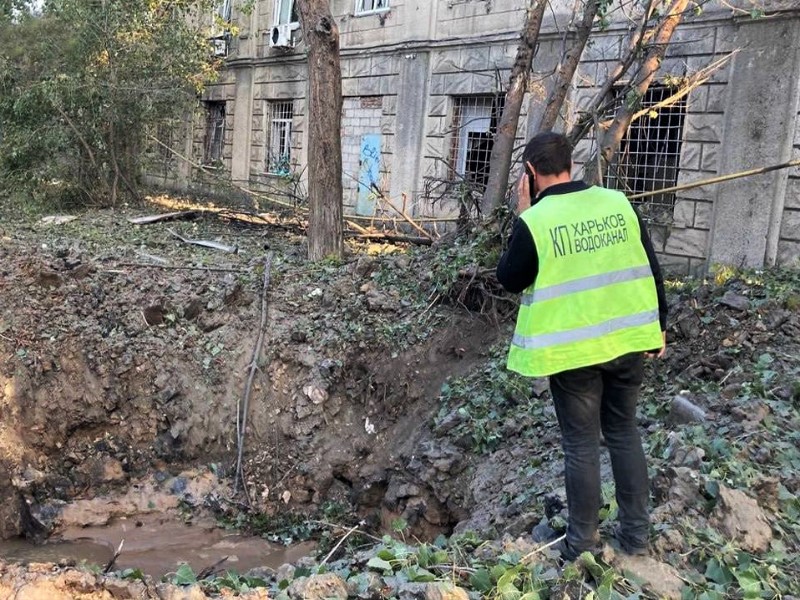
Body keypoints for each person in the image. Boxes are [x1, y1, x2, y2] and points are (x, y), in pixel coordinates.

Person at [496, 131, 667, 560]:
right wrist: (659, 325)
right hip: (629, 342)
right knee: (625, 433)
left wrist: (522, 215)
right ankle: (636, 537)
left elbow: (510, 278)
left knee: (582, 446)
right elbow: (649, 263)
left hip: (575, 355)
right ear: (570, 164)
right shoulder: (617, 203)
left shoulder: (538, 220)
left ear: (531, 173)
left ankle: (581, 544)